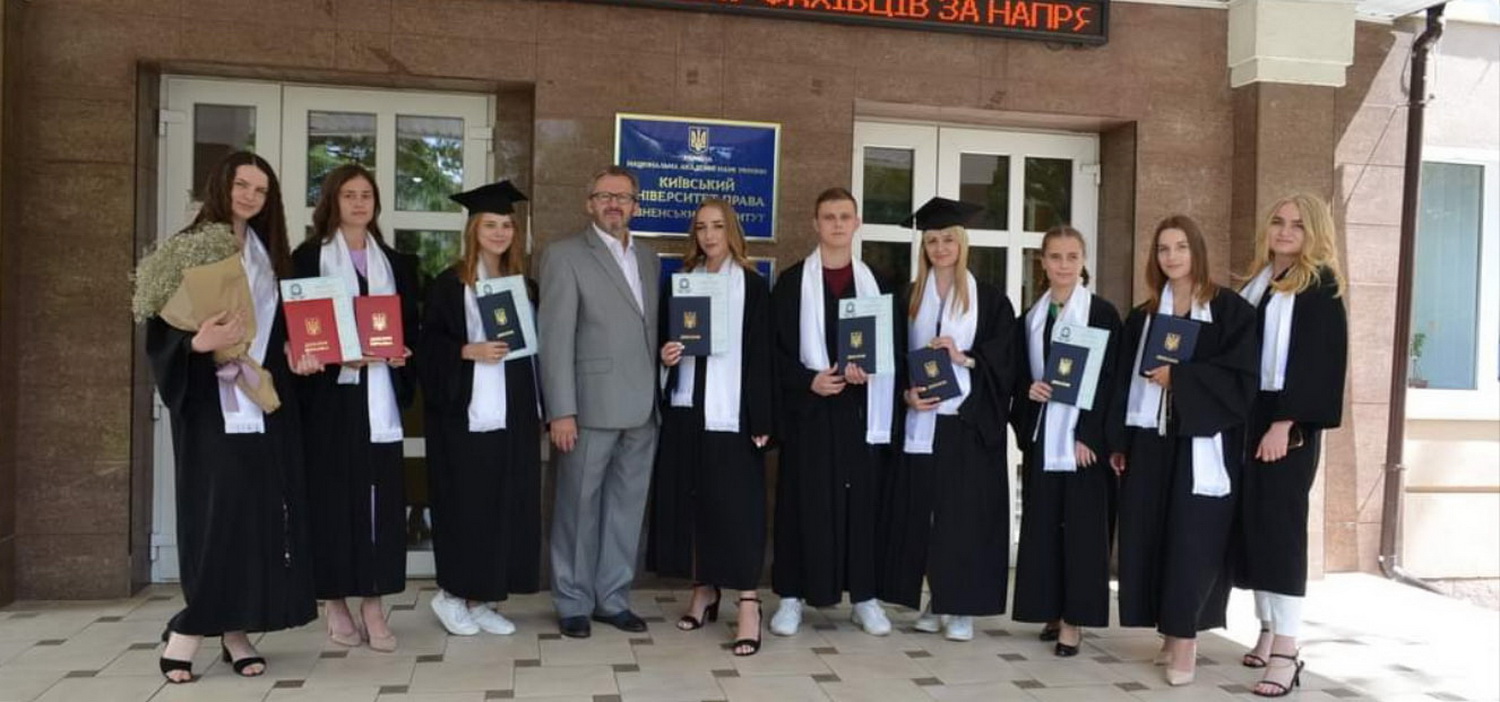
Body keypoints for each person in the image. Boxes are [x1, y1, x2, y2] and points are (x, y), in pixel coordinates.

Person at [144, 151, 318, 682]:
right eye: (242, 185)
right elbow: (160, 331)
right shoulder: (188, 248)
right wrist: (198, 343)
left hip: (262, 399)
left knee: (258, 517)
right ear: (222, 186)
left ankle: (236, 631)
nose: (250, 197)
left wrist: (294, 352)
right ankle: (189, 630)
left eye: (261, 191)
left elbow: (279, 326)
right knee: (217, 517)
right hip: (210, 403)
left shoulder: (271, 255)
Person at [1108, 215, 1258, 686]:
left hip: (1200, 442)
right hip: (1149, 441)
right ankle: (1168, 631)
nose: (1171, 256)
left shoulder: (1229, 311)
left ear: (1197, 251)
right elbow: (1121, 382)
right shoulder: (1143, 315)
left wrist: (1181, 379)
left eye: (1180, 247)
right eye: (1162, 249)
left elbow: (1242, 380)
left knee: (1192, 537)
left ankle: (1187, 637)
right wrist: (1119, 441)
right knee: (1150, 533)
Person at [294, 164, 419, 653]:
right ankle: (335, 602)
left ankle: (373, 603)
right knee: (332, 501)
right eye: (349, 194)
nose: (359, 202)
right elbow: (297, 331)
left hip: (380, 393)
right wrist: (334, 355)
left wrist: (404, 354)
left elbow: (412, 328)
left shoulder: (398, 264)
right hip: (331, 398)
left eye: (366, 194)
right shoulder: (308, 259)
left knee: (380, 504)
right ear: (332, 200)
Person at [881, 197, 1016, 643]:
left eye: (947, 240)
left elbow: (1007, 361)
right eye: (932, 241)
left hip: (966, 423)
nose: (940, 248)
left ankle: (961, 607)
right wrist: (906, 395)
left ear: (962, 244)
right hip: (920, 422)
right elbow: (891, 359)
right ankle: (934, 599)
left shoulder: (989, 300)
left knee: (963, 519)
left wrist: (964, 357)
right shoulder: (907, 297)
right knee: (922, 517)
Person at [769, 187, 902, 637]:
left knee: (861, 506)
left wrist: (872, 370)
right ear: (815, 223)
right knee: (800, 504)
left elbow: (892, 350)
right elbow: (773, 353)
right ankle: (791, 597)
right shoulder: (792, 284)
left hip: (860, 414)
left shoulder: (878, 284)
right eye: (829, 217)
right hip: (808, 413)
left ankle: (864, 597)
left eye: (845, 216)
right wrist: (808, 380)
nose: (838, 224)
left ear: (857, 223)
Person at [538, 166, 660, 639]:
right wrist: (561, 410)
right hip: (588, 408)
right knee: (578, 507)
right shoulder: (564, 255)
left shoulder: (647, 257)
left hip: (643, 408)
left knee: (626, 510)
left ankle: (613, 598)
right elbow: (555, 339)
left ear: (635, 205)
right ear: (589, 203)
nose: (614, 204)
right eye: (605, 196)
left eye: (623, 197)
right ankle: (572, 601)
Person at [1234, 194, 1347, 698]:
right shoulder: (1260, 282)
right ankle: (1266, 628)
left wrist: (1284, 423)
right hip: (1250, 416)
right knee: (1254, 526)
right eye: (1278, 221)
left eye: (1297, 225)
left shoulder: (1320, 287)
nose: (1284, 231)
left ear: (1314, 232)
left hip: (1288, 421)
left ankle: (1286, 650)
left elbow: (1320, 365)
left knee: (1281, 532)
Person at [651, 199, 774, 656]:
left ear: (731, 231)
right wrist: (666, 357)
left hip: (733, 413)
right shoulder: (682, 283)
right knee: (696, 503)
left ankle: (748, 602)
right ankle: (704, 590)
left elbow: (762, 356)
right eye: (701, 227)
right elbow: (665, 339)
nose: (709, 235)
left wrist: (762, 417)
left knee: (739, 508)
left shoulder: (753, 287)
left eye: (717, 226)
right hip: (687, 409)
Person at [419, 181, 542, 637]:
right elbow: (426, 347)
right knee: (467, 507)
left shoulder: (523, 287)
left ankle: (484, 597)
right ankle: (451, 594)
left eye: (507, 225)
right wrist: (466, 351)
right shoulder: (449, 285)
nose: (500, 232)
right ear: (474, 230)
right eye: (490, 224)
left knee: (503, 507)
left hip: (512, 413)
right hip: (464, 417)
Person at [1010, 225, 1122, 656]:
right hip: (1044, 438)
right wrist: (1029, 389)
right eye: (1055, 257)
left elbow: (1112, 380)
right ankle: (1051, 610)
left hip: (1083, 445)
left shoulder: (1102, 314)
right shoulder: (1031, 318)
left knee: (1081, 533)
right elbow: (1018, 374)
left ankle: (1074, 621)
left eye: (1072, 257)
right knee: (1044, 528)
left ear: (1083, 261)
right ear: (1042, 262)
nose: (1063, 265)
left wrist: (1090, 435)